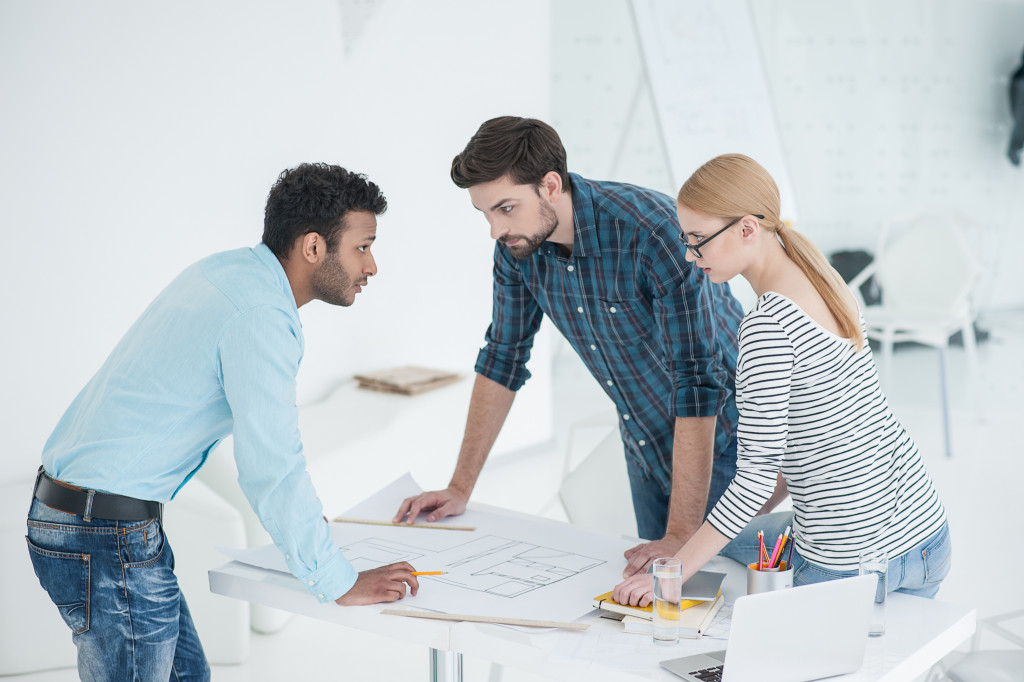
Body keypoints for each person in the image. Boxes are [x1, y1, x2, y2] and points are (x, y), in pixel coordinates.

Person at [26, 163, 420, 681]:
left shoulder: (229, 272)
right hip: (103, 534)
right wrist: (337, 579)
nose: (371, 266)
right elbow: (272, 465)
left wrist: (305, 533)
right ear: (313, 247)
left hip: (94, 521)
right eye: (362, 247)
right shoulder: (260, 315)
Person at [393, 116, 746, 575]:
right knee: (658, 605)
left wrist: (680, 533)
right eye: (485, 214)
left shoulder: (651, 233)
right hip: (645, 441)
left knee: (724, 602)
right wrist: (460, 486)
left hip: (726, 439)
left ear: (551, 185)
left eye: (505, 208)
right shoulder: (517, 249)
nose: (495, 231)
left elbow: (699, 382)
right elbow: (503, 356)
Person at [613, 153, 951, 607]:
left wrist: (673, 570)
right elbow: (815, 437)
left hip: (847, 565)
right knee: (725, 535)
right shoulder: (829, 281)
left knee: (710, 551)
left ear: (747, 229)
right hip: (927, 535)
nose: (691, 258)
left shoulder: (767, 326)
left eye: (698, 241)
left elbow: (752, 478)